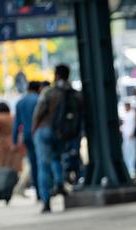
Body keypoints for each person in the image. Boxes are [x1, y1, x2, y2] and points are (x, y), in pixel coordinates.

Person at [33, 64, 82, 213]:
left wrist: (34, 128)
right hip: (61, 132)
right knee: (56, 159)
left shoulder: (49, 92)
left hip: (44, 130)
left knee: (43, 165)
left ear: (56, 75)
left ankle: (46, 200)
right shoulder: (74, 93)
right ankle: (60, 183)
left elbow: (39, 112)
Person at [14, 81, 42, 196]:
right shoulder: (38, 99)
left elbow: (17, 124)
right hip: (38, 133)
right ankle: (44, 189)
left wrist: (15, 140)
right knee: (42, 162)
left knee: (33, 163)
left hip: (27, 135)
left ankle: (38, 191)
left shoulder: (20, 102)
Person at [0, 102, 20, 170]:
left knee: (1, 166)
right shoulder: (12, 117)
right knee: (12, 166)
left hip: (2, 143)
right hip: (13, 143)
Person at [119, 101, 136, 177]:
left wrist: (132, 132)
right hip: (125, 137)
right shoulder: (124, 114)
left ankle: (132, 170)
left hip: (131, 137)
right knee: (126, 153)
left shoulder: (133, 114)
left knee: (132, 153)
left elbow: (134, 124)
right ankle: (128, 170)